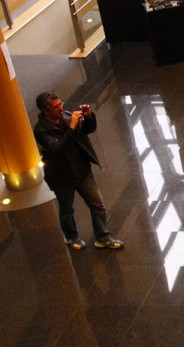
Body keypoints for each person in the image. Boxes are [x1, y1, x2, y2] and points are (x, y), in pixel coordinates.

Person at [33, 92, 124, 251]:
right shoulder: (41, 131)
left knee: (98, 205)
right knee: (67, 210)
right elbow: (58, 148)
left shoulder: (67, 117)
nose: (61, 108)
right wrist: (72, 127)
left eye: (60, 104)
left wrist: (89, 117)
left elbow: (87, 130)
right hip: (62, 177)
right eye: (56, 107)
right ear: (45, 111)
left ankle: (103, 237)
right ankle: (71, 236)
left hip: (82, 171)